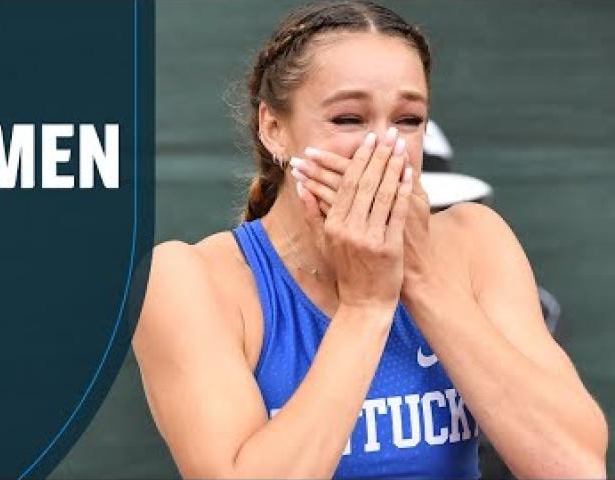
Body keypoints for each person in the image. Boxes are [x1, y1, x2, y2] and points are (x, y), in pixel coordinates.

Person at [132, 1, 609, 479]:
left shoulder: (474, 242)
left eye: (408, 120)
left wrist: (422, 279)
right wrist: (366, 307)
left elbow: (573, 468)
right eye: (348, 119)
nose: (384, 146)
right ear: (274, 129)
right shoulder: (189, 280)